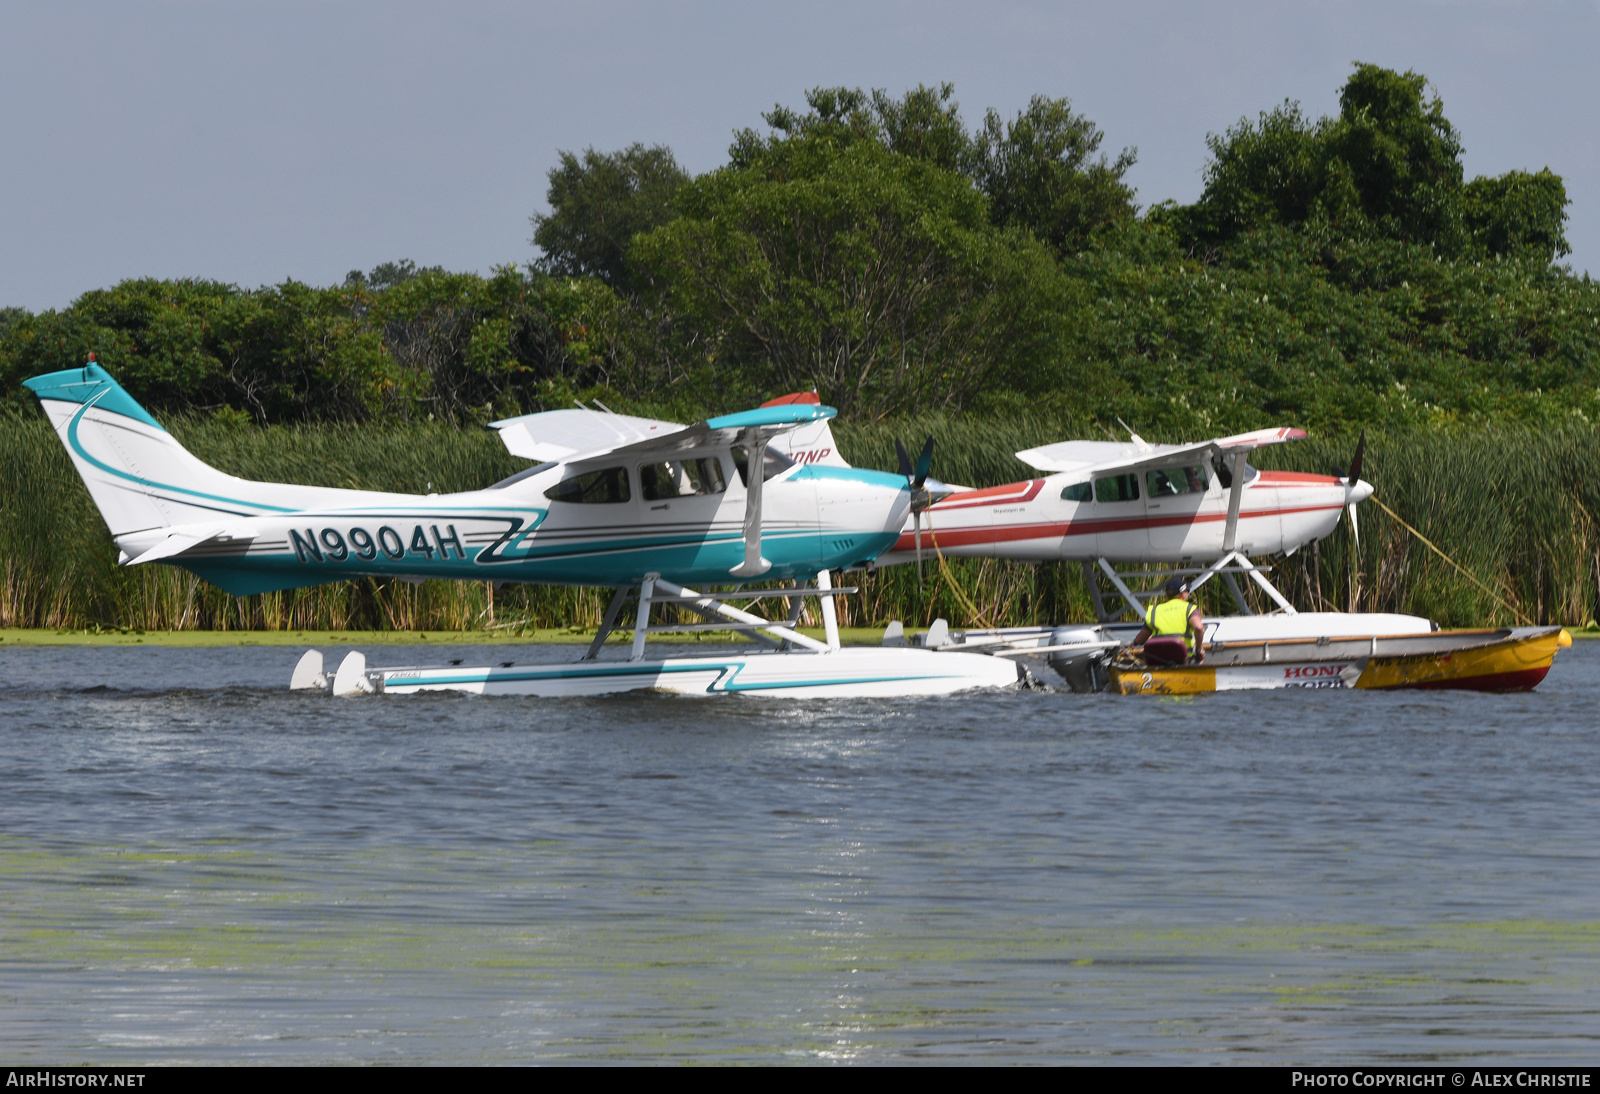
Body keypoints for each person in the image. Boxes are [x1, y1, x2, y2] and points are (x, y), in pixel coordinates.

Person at [1134, 576, 1206, 666]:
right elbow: (1199, 628)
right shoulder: (1189, 608)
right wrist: (1199, 649)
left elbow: (1140, 640)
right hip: (1182, 658)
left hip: (1157, 659)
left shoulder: (1154, 611)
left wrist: (1133, 644)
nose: (1188, 593)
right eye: (1187, 591)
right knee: (1200, 658)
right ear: (1183, 593)